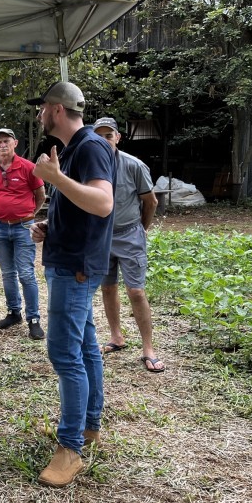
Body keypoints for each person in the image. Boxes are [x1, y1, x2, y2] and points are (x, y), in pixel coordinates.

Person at [28, 82, 117, 487]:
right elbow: (83, 208)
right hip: (71, 260)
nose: (39, 114)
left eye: (43, 107)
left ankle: (70, 449)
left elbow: (102, 203)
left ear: (58, 110)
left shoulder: (90, 146)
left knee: (65, 354)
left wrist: (56, 178)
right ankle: (88, 426)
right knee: (84, 346)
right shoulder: (73, 148)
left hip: (75, 268)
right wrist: (52, 225)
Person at [92, 117, 164, 373]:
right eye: (98, 136)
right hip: (101, 236)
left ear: (117, 137)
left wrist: (142, 229)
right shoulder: (90, 165)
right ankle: (116, 337)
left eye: (108, 136)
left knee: (136, 291)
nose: (104, 140)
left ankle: (148, 349)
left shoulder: (134, 165)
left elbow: (151, 201)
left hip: (129, 233)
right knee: (108, 287)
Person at [0, 128, 46, 339]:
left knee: (26, 273)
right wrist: (0, 212)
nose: (3, 145)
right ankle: (13, 312)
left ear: (15, 143)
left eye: (6, 141)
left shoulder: (28, 167)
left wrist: (28, 215)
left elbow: (40, 195)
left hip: (23, 227)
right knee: (7, 273)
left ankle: (33, 319)